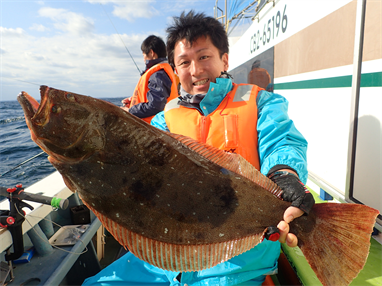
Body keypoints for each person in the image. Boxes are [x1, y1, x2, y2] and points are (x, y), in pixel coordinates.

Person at [83, 11, 314, 286]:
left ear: (224, 59)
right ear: (175, 69)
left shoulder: (261, 102)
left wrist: (284, 174)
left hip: (236, 263)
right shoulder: (163, 120)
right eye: (184, 62)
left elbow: (280, 141)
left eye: (204, 57)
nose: (195, 70)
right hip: (165, 257)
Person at [121, 35, 179, 123]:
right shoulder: (161, 71)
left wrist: (130, 111)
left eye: (144, 54)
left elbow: (156, 105)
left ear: (151, 53)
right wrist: (133, 100)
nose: (143, 58)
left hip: (154, 127)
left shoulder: (158, 74)